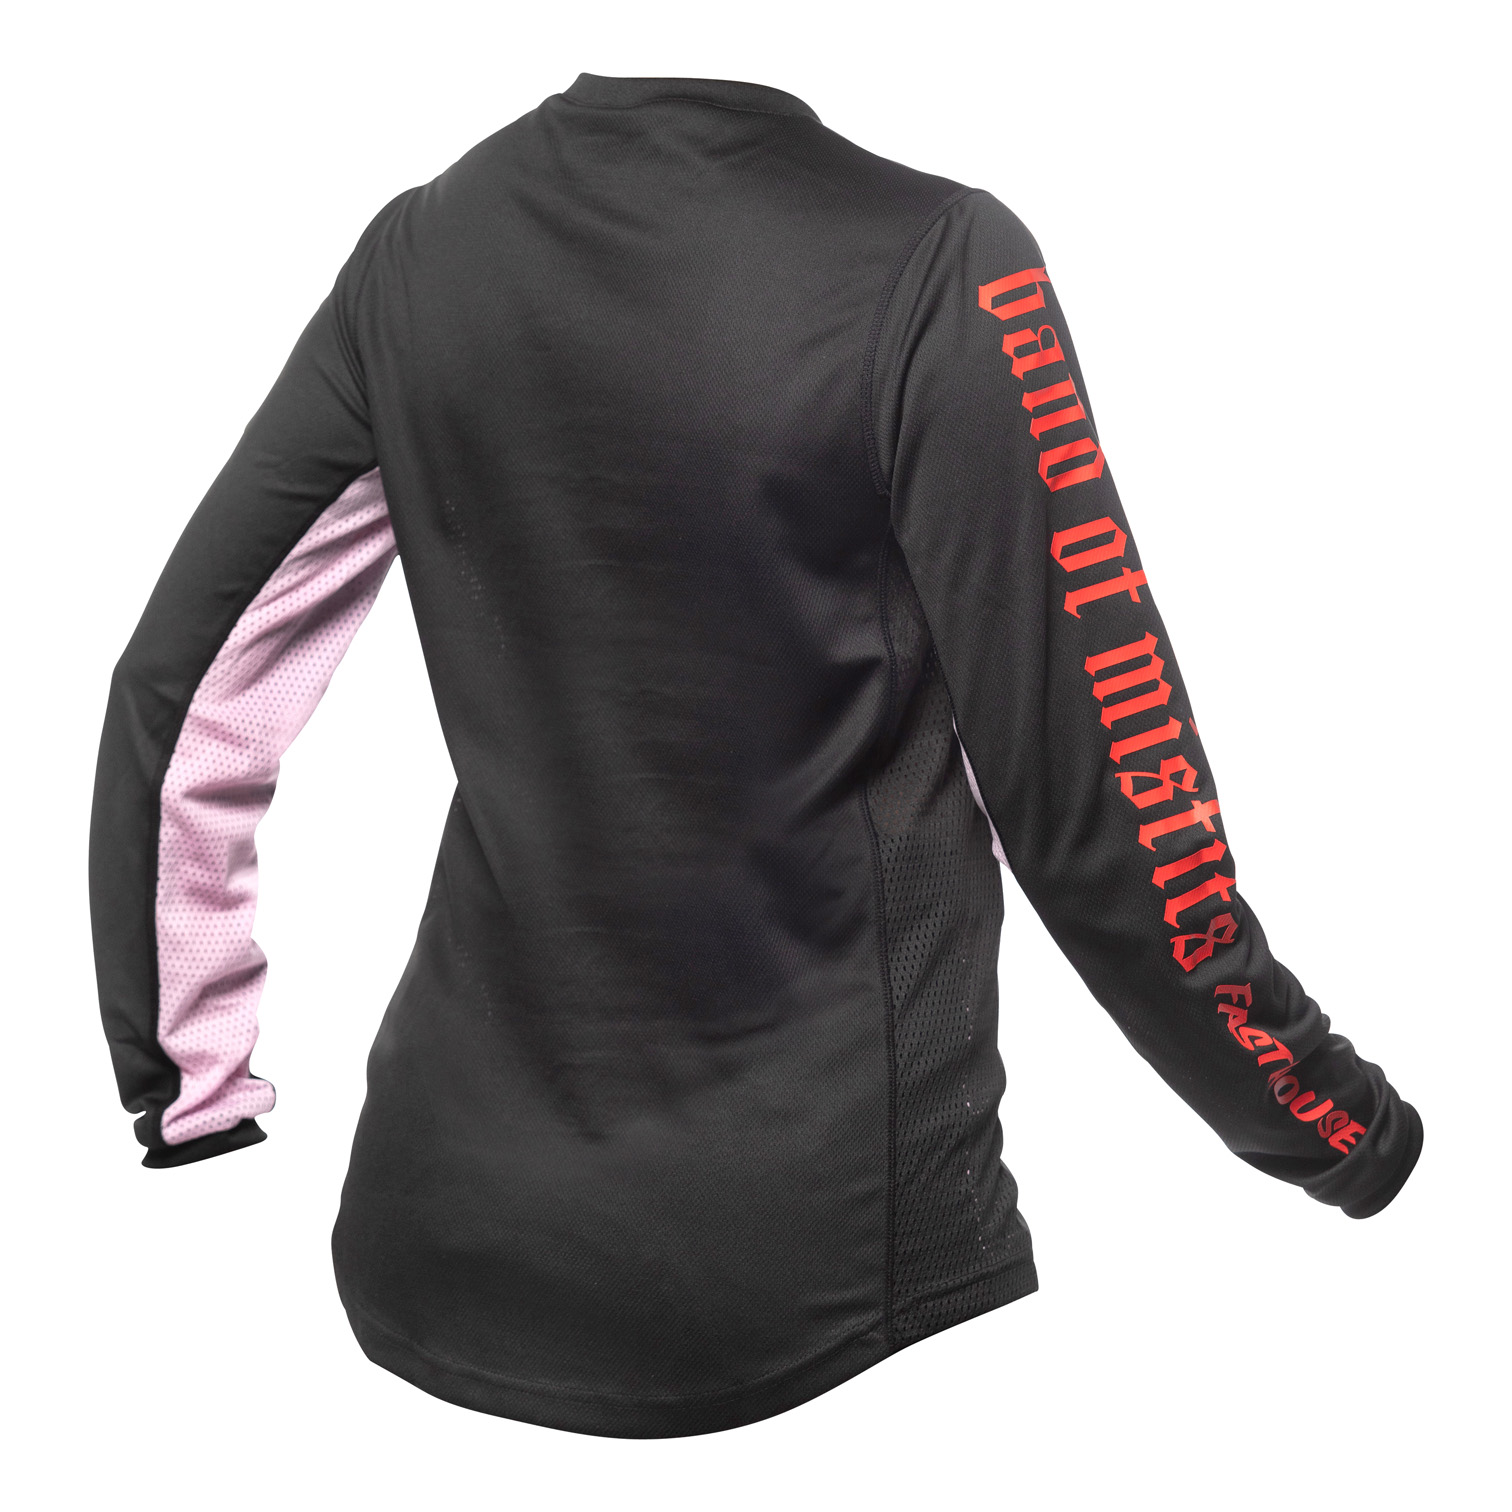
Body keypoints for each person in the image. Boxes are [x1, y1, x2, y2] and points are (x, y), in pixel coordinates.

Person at [88, 73, 1422, 1438]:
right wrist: (1338, 1127)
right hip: (817, 1290)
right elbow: (1101, 803)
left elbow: (187, 693)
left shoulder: (419, 251)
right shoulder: (938, 261)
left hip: (428, 1250)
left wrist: (190, 1092)